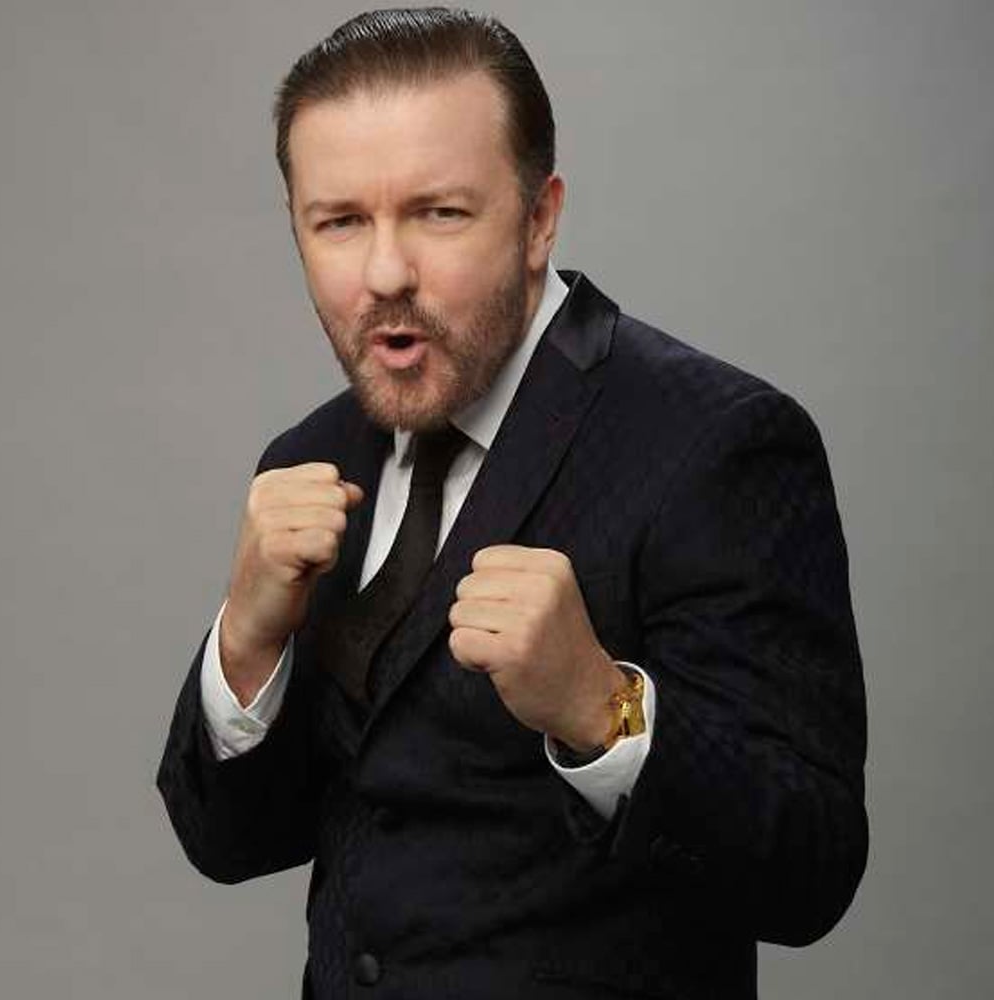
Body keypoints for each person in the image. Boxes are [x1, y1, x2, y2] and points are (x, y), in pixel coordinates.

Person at [158, 8, 868, 999]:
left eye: (439, 213)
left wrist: (601, 708)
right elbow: (229, 843)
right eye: (341, 221)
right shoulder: (310, 461)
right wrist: (246, 643)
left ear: (539, 220)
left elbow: (811, 872)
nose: (386, 273)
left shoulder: (718, 441)